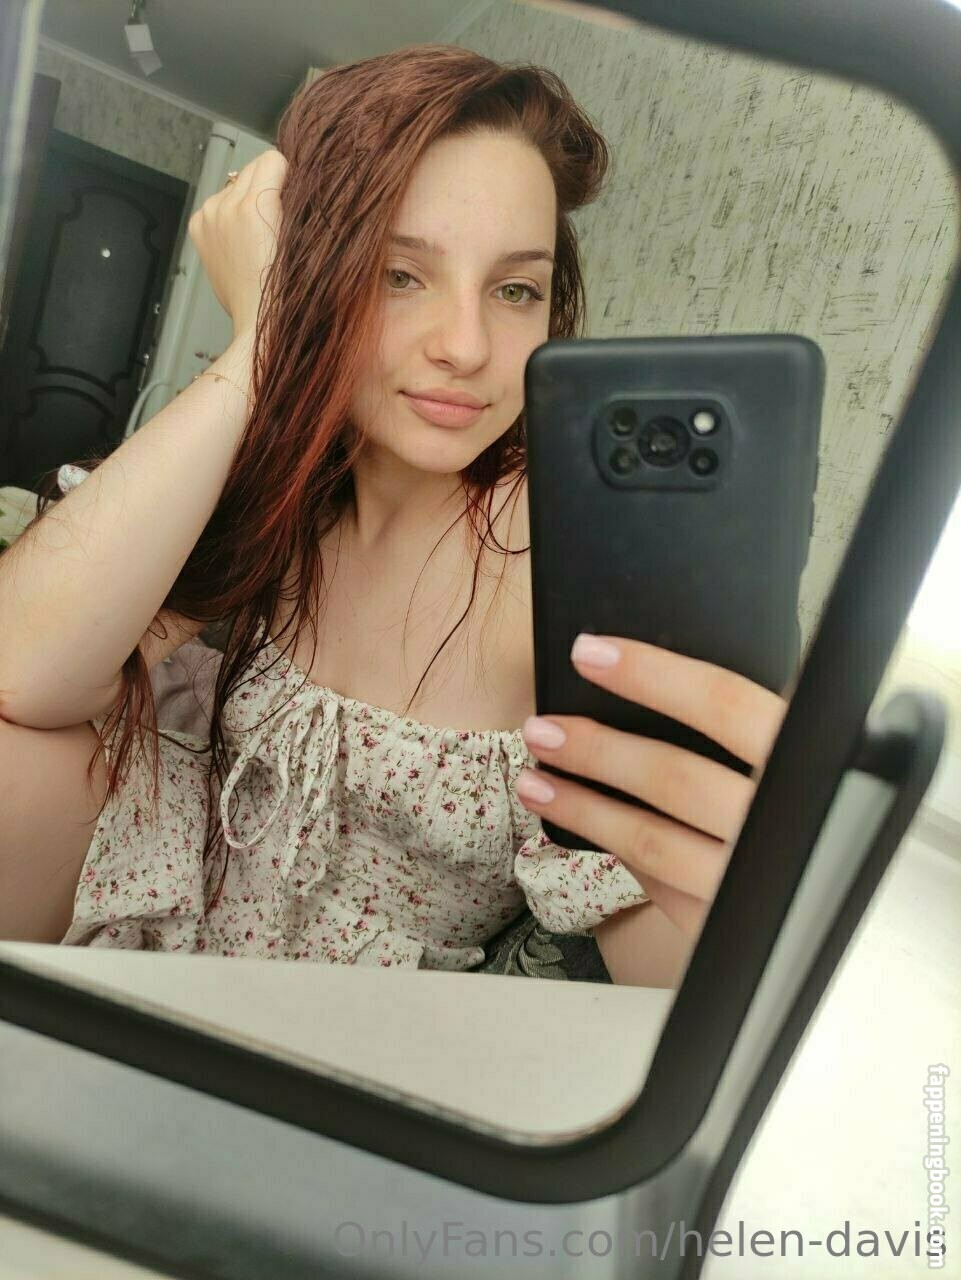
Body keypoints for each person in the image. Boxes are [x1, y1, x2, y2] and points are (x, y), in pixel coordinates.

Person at [0, 45, 786, 986]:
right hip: (160, 919)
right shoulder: (277, 482)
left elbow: (656, 966)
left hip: (368, 1030)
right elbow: (20, 673)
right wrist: (263, 347)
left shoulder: (572, 560)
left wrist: (727, 891)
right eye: (398, 274)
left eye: (514, 290)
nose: (466, 346)